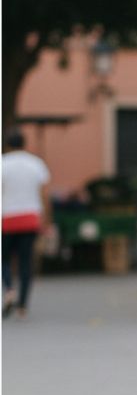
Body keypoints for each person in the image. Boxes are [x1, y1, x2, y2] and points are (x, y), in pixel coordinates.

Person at [2, 129, 52, 319]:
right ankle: (22, 305)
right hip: (30, 218)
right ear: (24, 143)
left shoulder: (3, 164)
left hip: (7, 219)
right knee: (26, 262)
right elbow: (45, 194)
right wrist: (47, 219)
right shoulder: (36, 164)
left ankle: (9, 289)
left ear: (7, 145)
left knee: (4, 259)